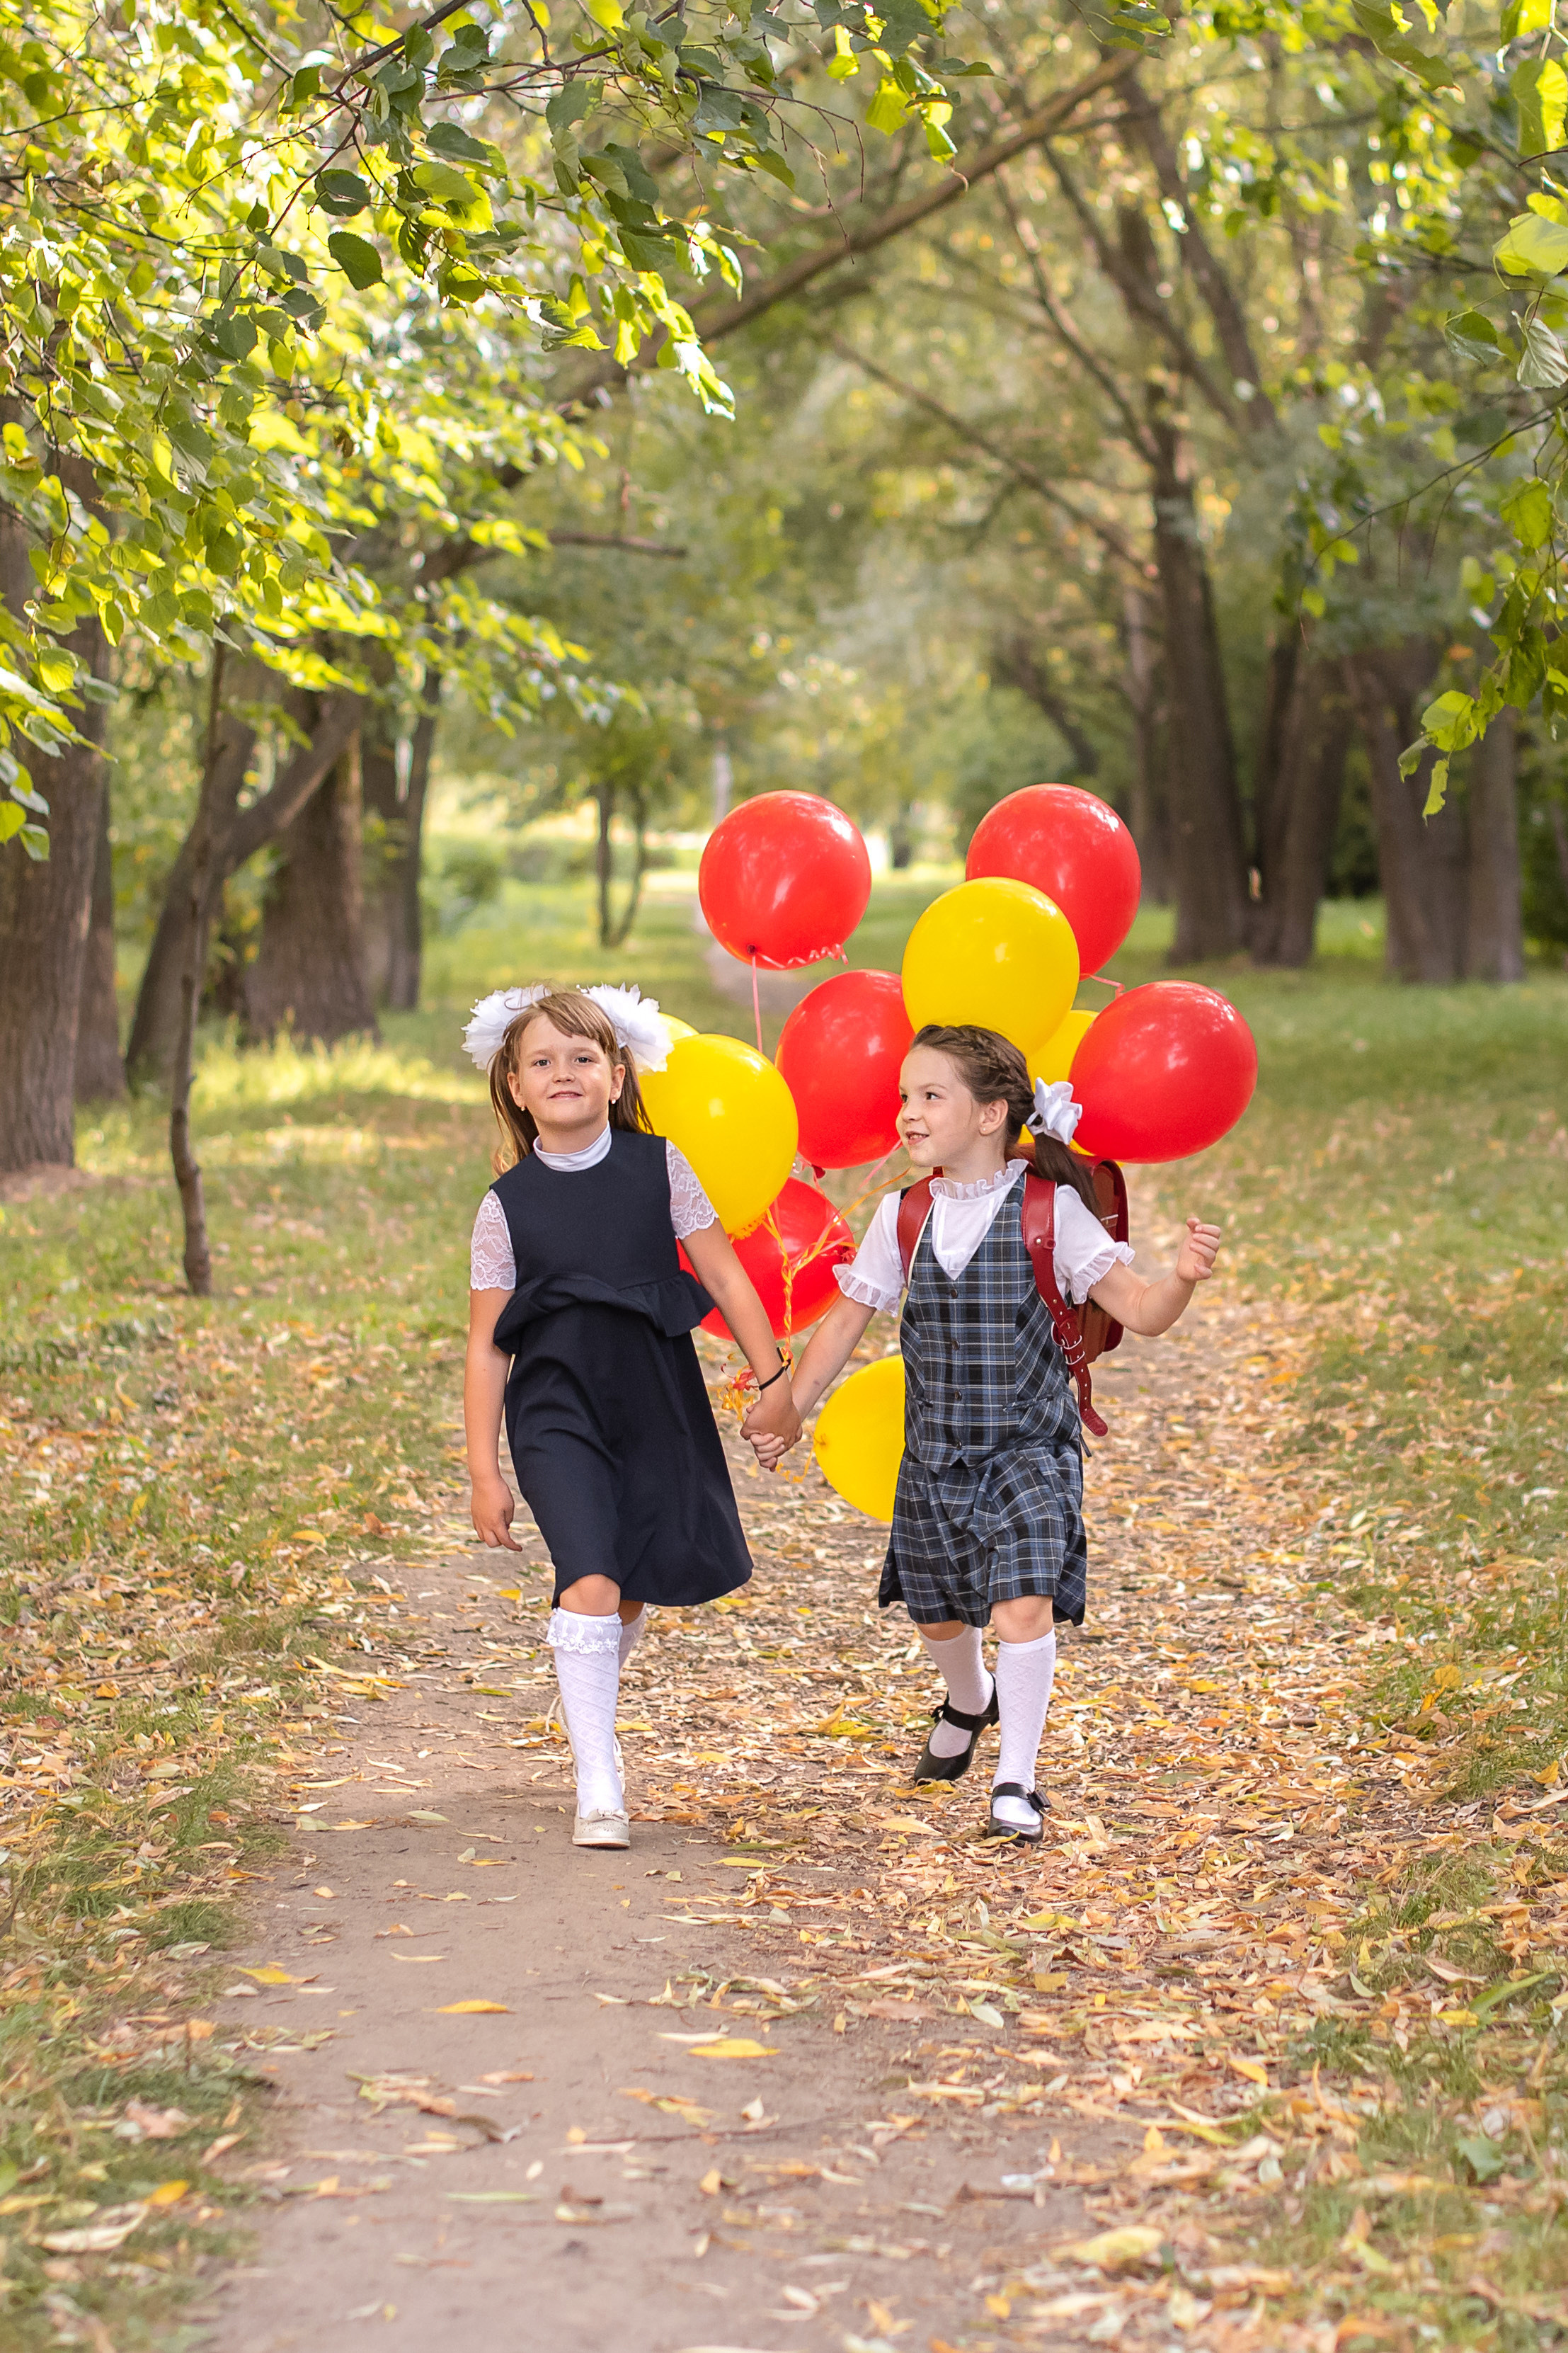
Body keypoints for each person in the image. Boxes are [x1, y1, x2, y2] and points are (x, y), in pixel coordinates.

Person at [762, 1023, 1221, 1845]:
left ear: (989, 1114)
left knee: (1021, 1604)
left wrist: (1180, 1277)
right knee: (937, 1613)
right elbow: (842, 1326)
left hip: (1029, 1450)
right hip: (935, 1456)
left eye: (929, 1096)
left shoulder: (1051, 1212)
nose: (907, 1112)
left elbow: (1141, 1310)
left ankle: (1016, 1780)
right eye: (904, 1096)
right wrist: (789, 1407)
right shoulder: (903, 1215)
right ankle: (971, 1695)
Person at [463, 983, 801, 1851]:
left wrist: (775, 1379)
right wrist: (484, 1470)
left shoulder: (660, 1168)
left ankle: (587, 1699)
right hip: (555, 1411)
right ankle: (598, 1780)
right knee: (590, 1576)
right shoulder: (505, 1206)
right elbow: (487, 1348)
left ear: (616, 1077)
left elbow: (724, 1275)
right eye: (542, 1060)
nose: (563, 1072)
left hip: (655, 1401)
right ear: (515, 1086)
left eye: (583, 1057)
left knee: (630, 1584)